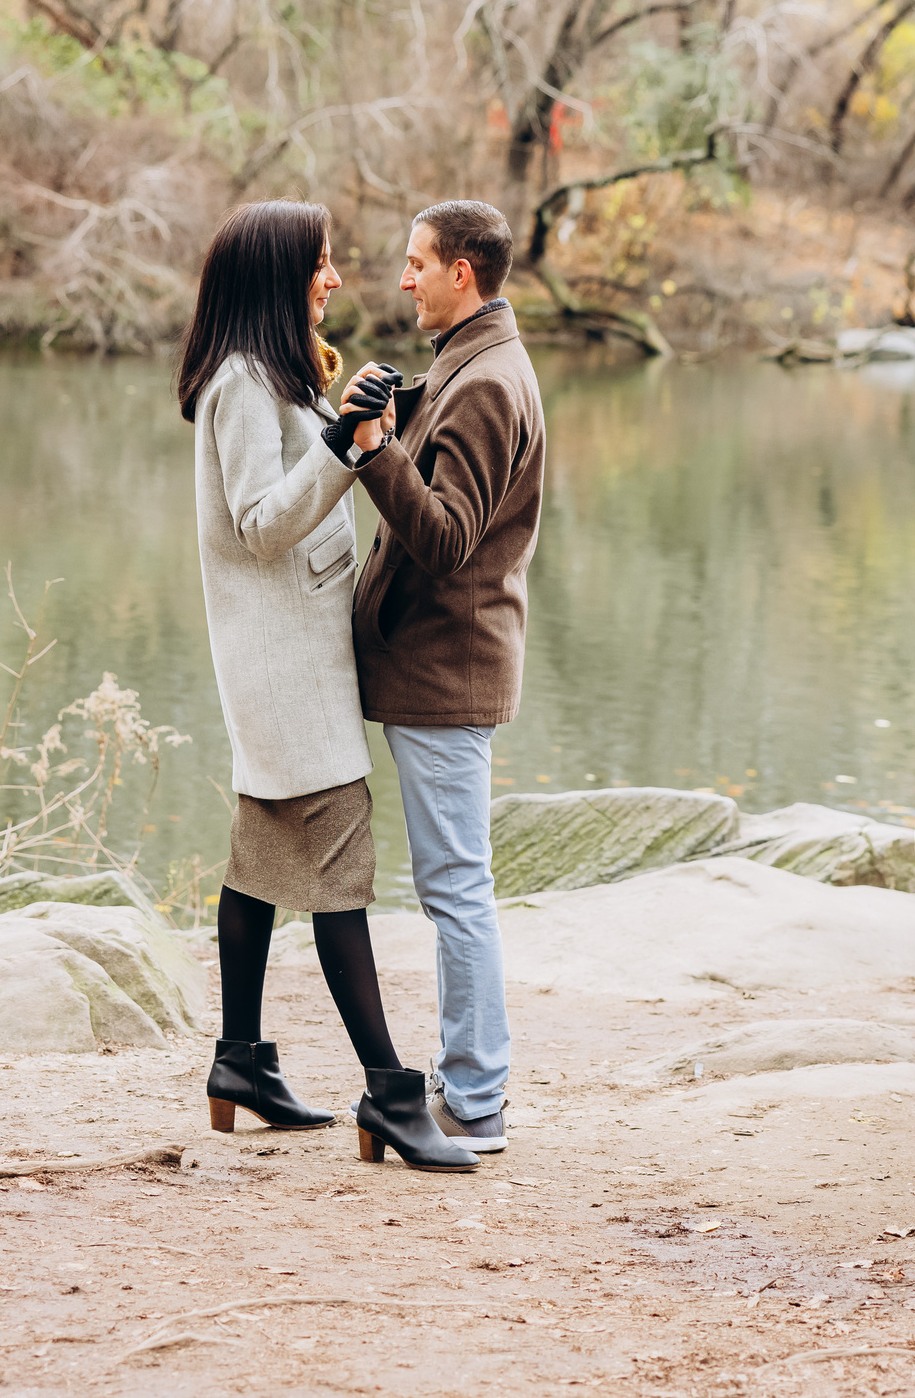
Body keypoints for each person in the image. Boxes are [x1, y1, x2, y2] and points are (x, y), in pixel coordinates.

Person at [176, 199, 476, 1174]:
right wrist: (343, 447)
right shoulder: (235, 387)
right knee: (340, 872)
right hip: (281, 670)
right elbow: (262, 523)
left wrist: (354, 431)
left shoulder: (270, 376)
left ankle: (240, 1062)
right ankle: (390, 1092)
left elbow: (301, 487)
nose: (337, 278)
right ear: (278, 277)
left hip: (294, 661)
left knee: (260, 863)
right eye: (322, 262)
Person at [328, 200, 545, 1156]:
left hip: (448, 673)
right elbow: (452, 460)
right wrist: (402, 407)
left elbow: (451, 539)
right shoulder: (470, 361)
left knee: (458, 889)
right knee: (455, 885)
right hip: (432, 668)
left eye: (418, 264)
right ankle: (474, 1084)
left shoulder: (493, 382)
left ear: (464, 271)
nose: (403, 278)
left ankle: (478, 1098)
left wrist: (373, 449)